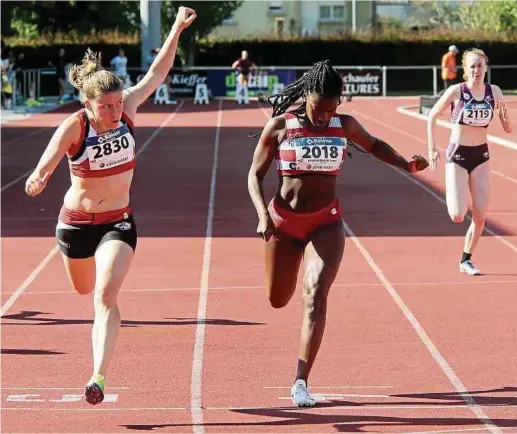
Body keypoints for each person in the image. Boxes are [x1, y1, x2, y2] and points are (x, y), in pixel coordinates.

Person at [24, 7, 196, 405]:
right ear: (87, 103)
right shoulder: (75, 127)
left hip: (118, 221)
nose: (116, 112)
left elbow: (157, 73)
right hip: (76, 225)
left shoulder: (128, 110)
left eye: (119, 104)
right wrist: (38, 178)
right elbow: (46, 164)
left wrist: (174, 29)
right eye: (107, 106)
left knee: (105, 295)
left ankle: (98, 376)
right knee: (84, 289)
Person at [247, 60, 429, 407]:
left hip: (325, 222)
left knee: (315, 295)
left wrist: (406, 164)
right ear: (307, 95)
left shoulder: (343, 125)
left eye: (332, 109)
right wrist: (262, 215)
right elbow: (254, 175)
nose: (324, 116)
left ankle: (301, 381)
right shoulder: (280, 127)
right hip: (283, 222)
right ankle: (299, 368)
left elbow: (374, 145)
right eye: (319, 109)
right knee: (278, 299)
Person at [427, 48, 513, 276]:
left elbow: (508, 128)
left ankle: (466, 259)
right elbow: (432, 116)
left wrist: (505, 118)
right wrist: (432, 147)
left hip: (481, 156)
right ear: (465, 70)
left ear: (486, 68)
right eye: (472, 66)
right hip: (457, 156)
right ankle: (455, 192)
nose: (477, 70)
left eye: (480, 66)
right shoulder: (457, 91)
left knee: (481, 214)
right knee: (457, 215)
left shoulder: (494, 91)